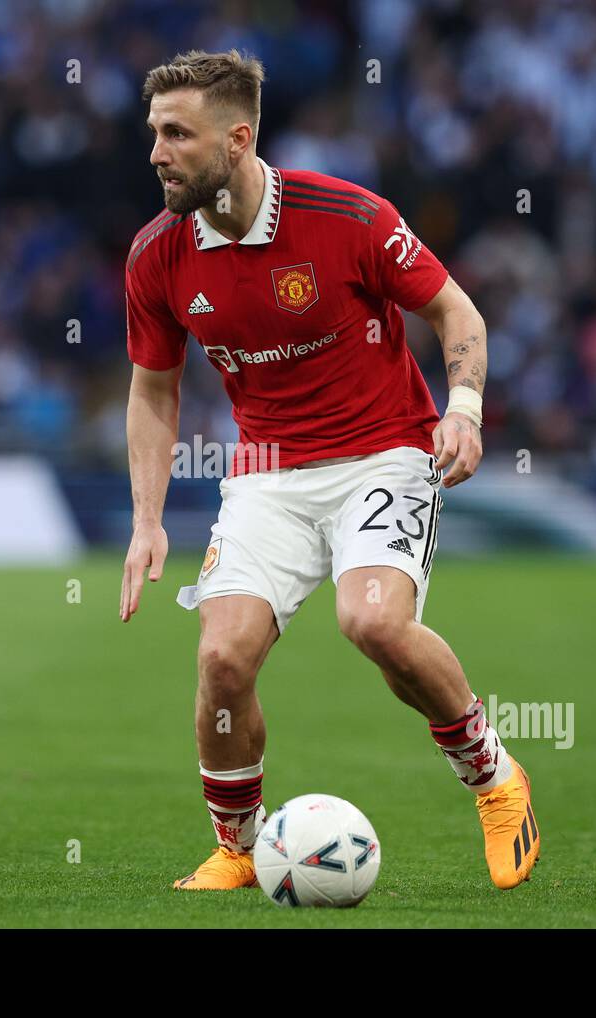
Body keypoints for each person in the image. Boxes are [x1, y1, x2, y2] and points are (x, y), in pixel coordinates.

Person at [120, 50, 539, 892]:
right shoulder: (157, 255)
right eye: (154, 133)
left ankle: (495, 780)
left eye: (177, 134)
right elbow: (154, 387)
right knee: (222, 661)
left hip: (384, 450)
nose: (156, 152)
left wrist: (463, 407)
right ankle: (238, 848)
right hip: (268, 473)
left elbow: (455, 308)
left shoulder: (346, 216)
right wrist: (147, 519)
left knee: (374, 622)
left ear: (237, 139)